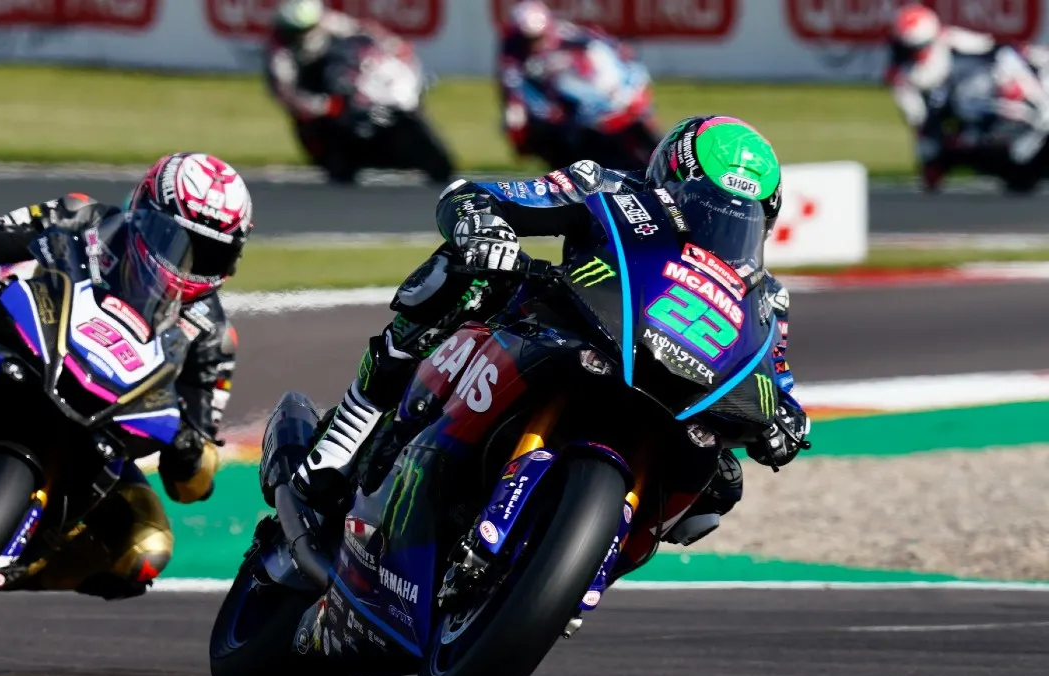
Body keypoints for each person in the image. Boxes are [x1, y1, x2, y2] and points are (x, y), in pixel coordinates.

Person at [290, 115, 809, 554]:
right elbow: (479, 195)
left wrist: (786, 419)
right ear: (667, 180)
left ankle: (580, 562)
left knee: (719, 485)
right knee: (463, 276)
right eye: (705, 209)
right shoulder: (604, 186)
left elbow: (775, 377)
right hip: (561, 327)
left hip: (667, 390)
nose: (717, 231)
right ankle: (351, 425)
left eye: (737, 223)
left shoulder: (766, 300)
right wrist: (485, 226)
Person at [0, 152, 251, 600]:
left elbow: (195, 470)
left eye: (209, 252)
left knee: (146, 544)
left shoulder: (214, 337)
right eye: (173, 239)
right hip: (19, 349)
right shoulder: (81, 216)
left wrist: (190, 450)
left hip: (103, 426)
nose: (185, 262)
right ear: (143, 211)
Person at [886, 3, 1049, 190]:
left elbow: (1004, 53)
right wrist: (932, 162)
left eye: (917, 49)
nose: (916, 56)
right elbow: (921, 125)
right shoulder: (906, 82)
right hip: (978, 132)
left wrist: (1021, 91)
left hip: (1014, 115)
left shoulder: (961, 44)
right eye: (908, 50)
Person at [266, 0, 408, 181]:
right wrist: (322, 106)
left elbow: (363, 30)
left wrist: (394, 45)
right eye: (294, 32)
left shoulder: (328, 22)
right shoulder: (279, 53)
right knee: (325, 148)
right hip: (312, 100)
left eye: (305, 30)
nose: (300, 36)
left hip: (341, 81)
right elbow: (286, 92)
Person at [498, 1, 650, 161]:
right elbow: (514, 87)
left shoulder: (565, 33)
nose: (534, 43)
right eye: (528, 39)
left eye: (538, 37)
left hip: (591, 91)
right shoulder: (513, 55)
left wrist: (619, 50)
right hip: (551, 108)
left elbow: (599, 42)